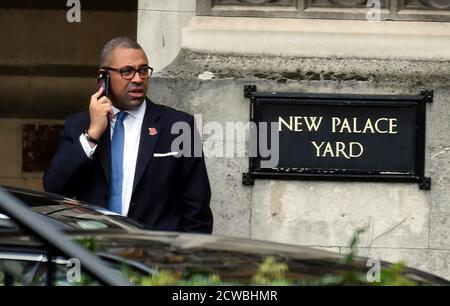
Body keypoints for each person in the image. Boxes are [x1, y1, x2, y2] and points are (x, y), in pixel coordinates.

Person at [43, 37, 213, 233]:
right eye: (127, 71)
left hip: (155, 256)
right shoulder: (79, 125)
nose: (138, 79)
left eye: (143, 70)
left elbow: (197, 211)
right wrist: (93, 134)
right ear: (104, 77)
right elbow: (54, 188)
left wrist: (184, 260)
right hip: (94, 252)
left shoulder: (179, 126)